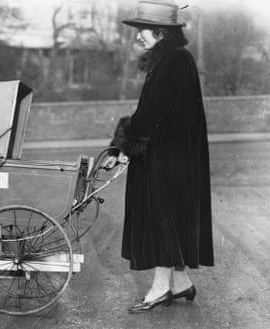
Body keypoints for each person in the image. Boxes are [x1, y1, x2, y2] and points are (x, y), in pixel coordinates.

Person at [103, 0, 214, 313]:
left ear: (162, 33)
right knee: (171, 218)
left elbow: (150, 114)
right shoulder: (174, 60)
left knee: (161, 219)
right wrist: (121, 145)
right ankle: (180, 283)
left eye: (142, 31)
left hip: (167, 159)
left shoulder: (173, 62)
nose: (137, 36)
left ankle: (160, 288)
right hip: (173, 156)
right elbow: (150, 113)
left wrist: (121, 145)